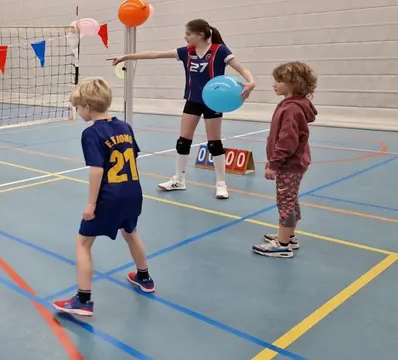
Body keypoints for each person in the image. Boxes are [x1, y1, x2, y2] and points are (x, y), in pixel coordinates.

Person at [108, 18, 256, 199]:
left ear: (200, 35)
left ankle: (220, 183)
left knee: (214, 143)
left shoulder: (220, 51)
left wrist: (251, 82)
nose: (185, 37)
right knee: (183, 141)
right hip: (193, 100)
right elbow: (155, 54)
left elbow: (242, 69)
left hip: (213, 102)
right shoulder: (186, 52)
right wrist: (127, 57)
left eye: (188, 34)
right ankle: (179, 179)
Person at [53, 77, 154, 317]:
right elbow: (133, 156)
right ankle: (144, 277)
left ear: (87, 106)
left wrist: (91, 203)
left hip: (109, 196)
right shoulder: (124, 126)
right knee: (130, 233)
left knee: (83, 242)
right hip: (133, 192)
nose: (78, 112)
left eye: (78, 107)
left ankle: (83, 300)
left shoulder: (91, 133)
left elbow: (97, 170)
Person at [253, 62, 317, 258]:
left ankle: (282, 244)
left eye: (279, 81)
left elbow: (287, 141)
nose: (274, 84)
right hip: (292, 163)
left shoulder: (291, 109)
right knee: (290, 198)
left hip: (290, 164)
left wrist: (274, 164)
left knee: (285, 201)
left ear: (293, 84)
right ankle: (289, 235)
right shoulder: (292, 106)